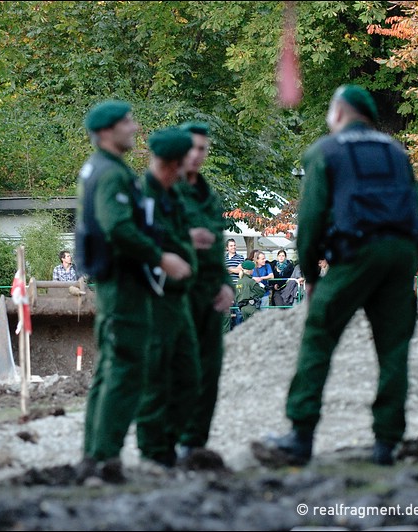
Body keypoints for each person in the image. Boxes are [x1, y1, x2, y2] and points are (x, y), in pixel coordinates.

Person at [257, 85, 418, 467]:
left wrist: (312, 272)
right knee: (394, 349)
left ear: (338, 113)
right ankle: (387, 443)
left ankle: (300, 437)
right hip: (400, 254)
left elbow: (311, 218)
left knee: (319, 335)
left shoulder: (326, 151)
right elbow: (415, 211)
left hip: (355, 255)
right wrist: (410, 257)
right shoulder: (397, 151)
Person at [74, 100, 192, 483]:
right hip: (124, 284)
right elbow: (118, 228)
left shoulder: (99, 168)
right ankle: (104, 459)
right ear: (107, 131)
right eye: (127, 122)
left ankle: (94, 456)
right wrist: (162, 258)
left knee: (111, 369)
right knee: (126, 369)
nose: (135, 126)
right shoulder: (111, 174)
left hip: (114, 281)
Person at [133, 127, 200, 469]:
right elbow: (139, 244)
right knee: (156, 375)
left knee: (189, 373)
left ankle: (171, 443)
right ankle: (153, 449)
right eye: (182, 162)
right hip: (156, 297)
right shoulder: (145, 195)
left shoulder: (172, 194)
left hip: (178, 299)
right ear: (169, 163)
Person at [173, 121, 235, 461]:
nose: (197, 155)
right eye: (191, 148)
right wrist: (185, 240)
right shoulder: (165, 190)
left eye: (202, 149)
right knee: (180, 369)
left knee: (210, 370)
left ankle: (195, 443)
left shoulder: (209, 195)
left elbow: (218, 246)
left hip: (210, 293)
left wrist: (226, 283)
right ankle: (174, 439)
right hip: (178, 293)